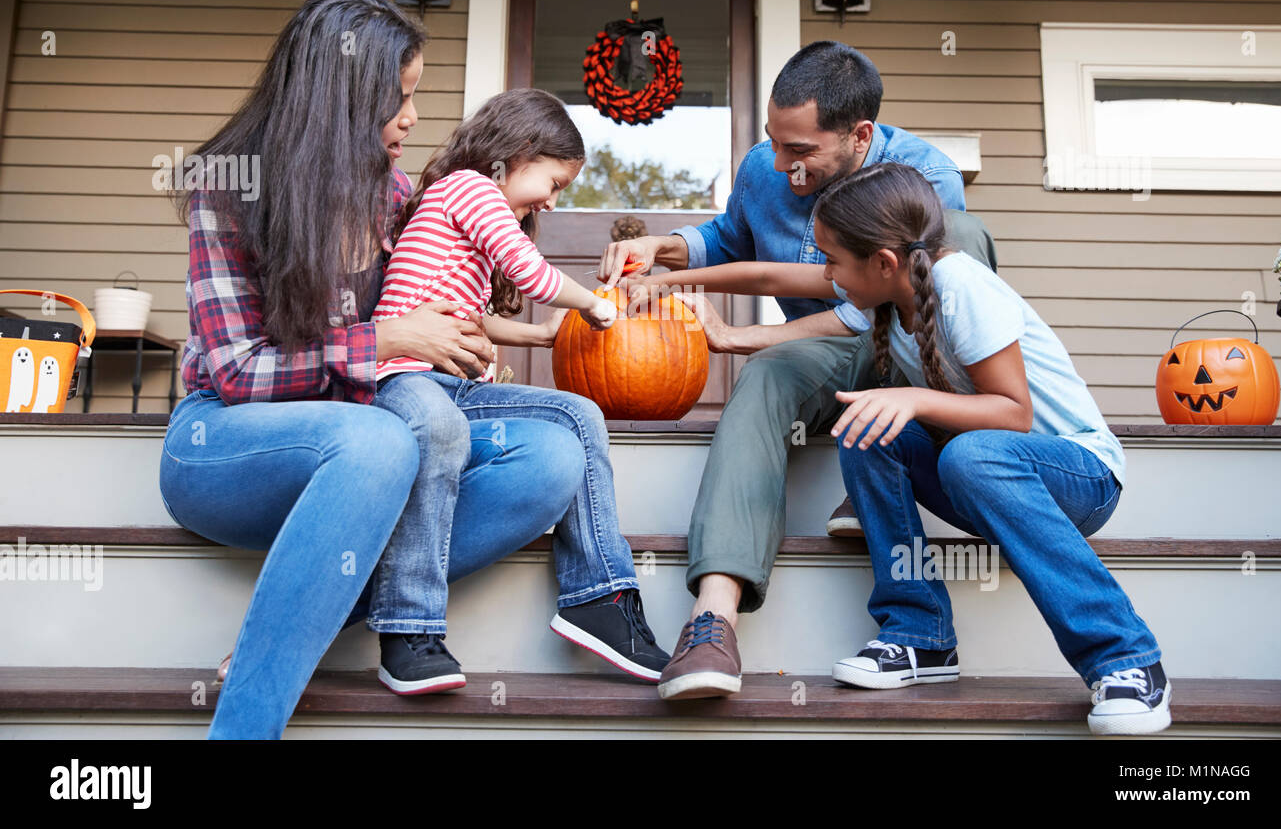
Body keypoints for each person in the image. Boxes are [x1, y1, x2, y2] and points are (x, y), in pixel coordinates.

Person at [159, 0, 594, 738]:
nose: (413, 119)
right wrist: (389, 341)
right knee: (378, 441)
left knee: (553, 455)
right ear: (340, 100)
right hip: (232, 447)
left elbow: (444, 298)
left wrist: (465, 334)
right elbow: (239, 375)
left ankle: (320, 611)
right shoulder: (229, 189)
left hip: (376, 435)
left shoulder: (398, 195)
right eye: (399, 99)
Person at [649, 160, 1173, 736]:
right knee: (869, 428)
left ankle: (1125, 659)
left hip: (1079, 476)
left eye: (832, 261)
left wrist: (914, 400)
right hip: (984, 476)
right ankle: (919, 635)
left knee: (964, 453)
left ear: (883, 263)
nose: (826, 274)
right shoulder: (885, 296)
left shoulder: (961, 286)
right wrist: (722, 332)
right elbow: (780, 289)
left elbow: (1014, 414)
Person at [599, 41, 998, 699]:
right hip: (823, 356)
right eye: (774, 144)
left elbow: (864, 309)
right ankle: (712, 621)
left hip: (903, 350)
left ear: (860, 135)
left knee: (963, 232)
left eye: (802, 151)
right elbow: (731, 239)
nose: (781, 165)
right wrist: (660, 248)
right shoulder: (767, 166)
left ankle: (901, 455)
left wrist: (744, 336)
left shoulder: (923, 176)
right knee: (768, 373)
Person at [360, 88, 670, 692]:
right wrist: (592, 305)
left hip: (452, 382)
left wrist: (543, 332)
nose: (551, 203)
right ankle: (409, 630)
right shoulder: (470, 187)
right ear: (519, 152)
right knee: (439, 429)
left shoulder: (470, 209)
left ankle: (600, 596)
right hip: (400, 378)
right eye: (553, 183)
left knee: (578, 414)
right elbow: (527, 270)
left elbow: (479, 321)